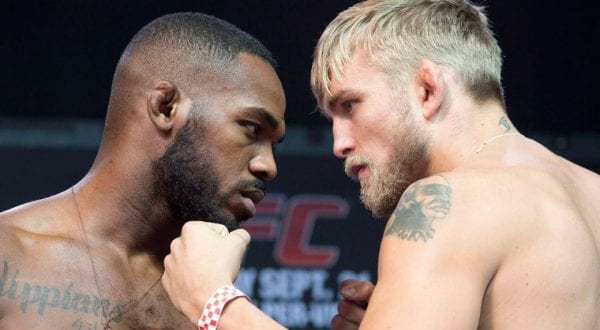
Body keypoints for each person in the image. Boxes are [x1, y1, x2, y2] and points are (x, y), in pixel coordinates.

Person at [161, 0, 600, 329]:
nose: (338, 143)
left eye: (350, 105)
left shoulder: (446, 200)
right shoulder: (591, 191)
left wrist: (214, 303)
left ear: (427, 89)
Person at [0, 12, 285, 329]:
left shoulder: (209, 303)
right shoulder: (7, 254)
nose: (269, 166)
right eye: (252, 128)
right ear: (166, 107)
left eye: (275, 145)